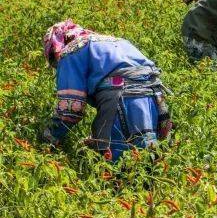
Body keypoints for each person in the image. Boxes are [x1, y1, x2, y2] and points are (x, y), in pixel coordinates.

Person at [40, 20, 172, 162]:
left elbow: (70, 111)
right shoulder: (117, 41)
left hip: (122, 99)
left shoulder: (71, 52)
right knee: (151, 158)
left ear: (55, 47)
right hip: (155, 98)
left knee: (121, 164)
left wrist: (46, 138)